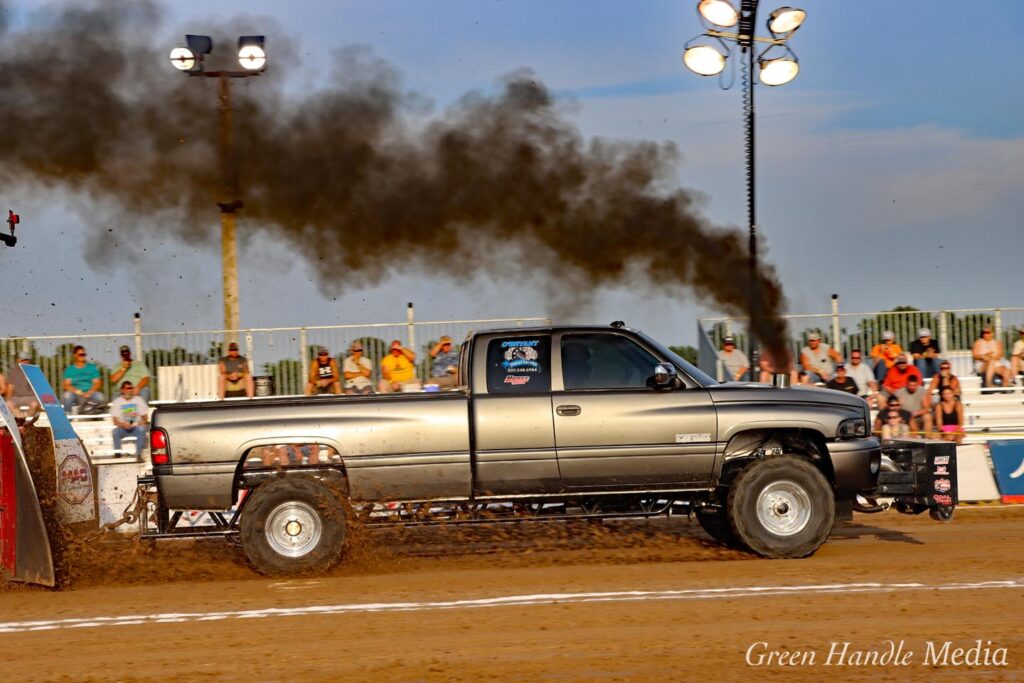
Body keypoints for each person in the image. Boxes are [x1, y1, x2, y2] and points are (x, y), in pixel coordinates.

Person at [109, 381, 148, 458]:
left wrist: (142, 422)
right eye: (128, 388)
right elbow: (115, 421)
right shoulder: (117, 401)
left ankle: (139, 454)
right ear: (122, 390)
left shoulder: (139, 399)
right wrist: (123, 425)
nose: (130, 390)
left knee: (141, 429)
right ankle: (118, 453)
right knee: (115, 432)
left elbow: (145, 417)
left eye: (131, 388)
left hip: (136, 427)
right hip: (123, 427)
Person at [62, 345, 105, 413]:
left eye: (84, 354)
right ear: (75, 355)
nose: (82, 356)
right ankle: (67, 417)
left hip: (90, 393)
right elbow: (66, 385)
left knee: (100, 396)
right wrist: (80, 393)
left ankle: (99, 417)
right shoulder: (70, 369)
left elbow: (97, 383)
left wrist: (89, 393)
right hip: (75, 394)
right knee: (67, 395)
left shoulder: (92, 367)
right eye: (80, 354)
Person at [3, 352, 41, 422]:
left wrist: (40, 400)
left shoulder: (34, 372)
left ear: (30, 361)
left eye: (26, 360)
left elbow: (40, 387)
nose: (25, 362)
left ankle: (27, 422)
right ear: (18, 361)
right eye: (22, 360)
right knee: (9, 404)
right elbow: (10, 389)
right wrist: (8, 400)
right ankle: (21, 420)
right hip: (16, 398)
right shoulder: (13, 372)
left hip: (32, 398)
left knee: (35, 404)